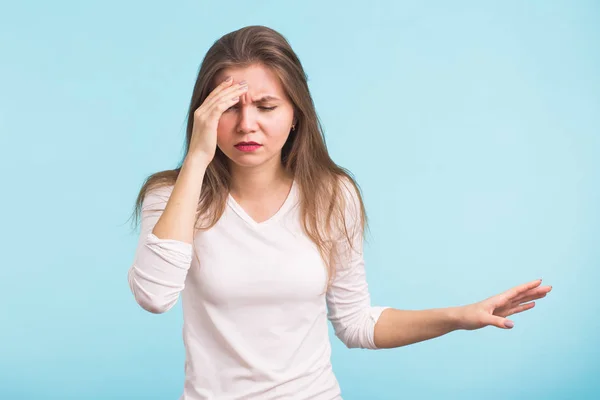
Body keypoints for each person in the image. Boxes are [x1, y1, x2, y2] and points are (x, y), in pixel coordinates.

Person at [127, 25, 552, 400]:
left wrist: (460, 317)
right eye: (228, 108)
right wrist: (197, 160)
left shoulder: (332, 195)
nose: (246, 124)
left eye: (266, 106)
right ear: (205, 114)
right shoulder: (172, 195)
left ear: (295, 114)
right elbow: (155, 296)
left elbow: (355, 323)